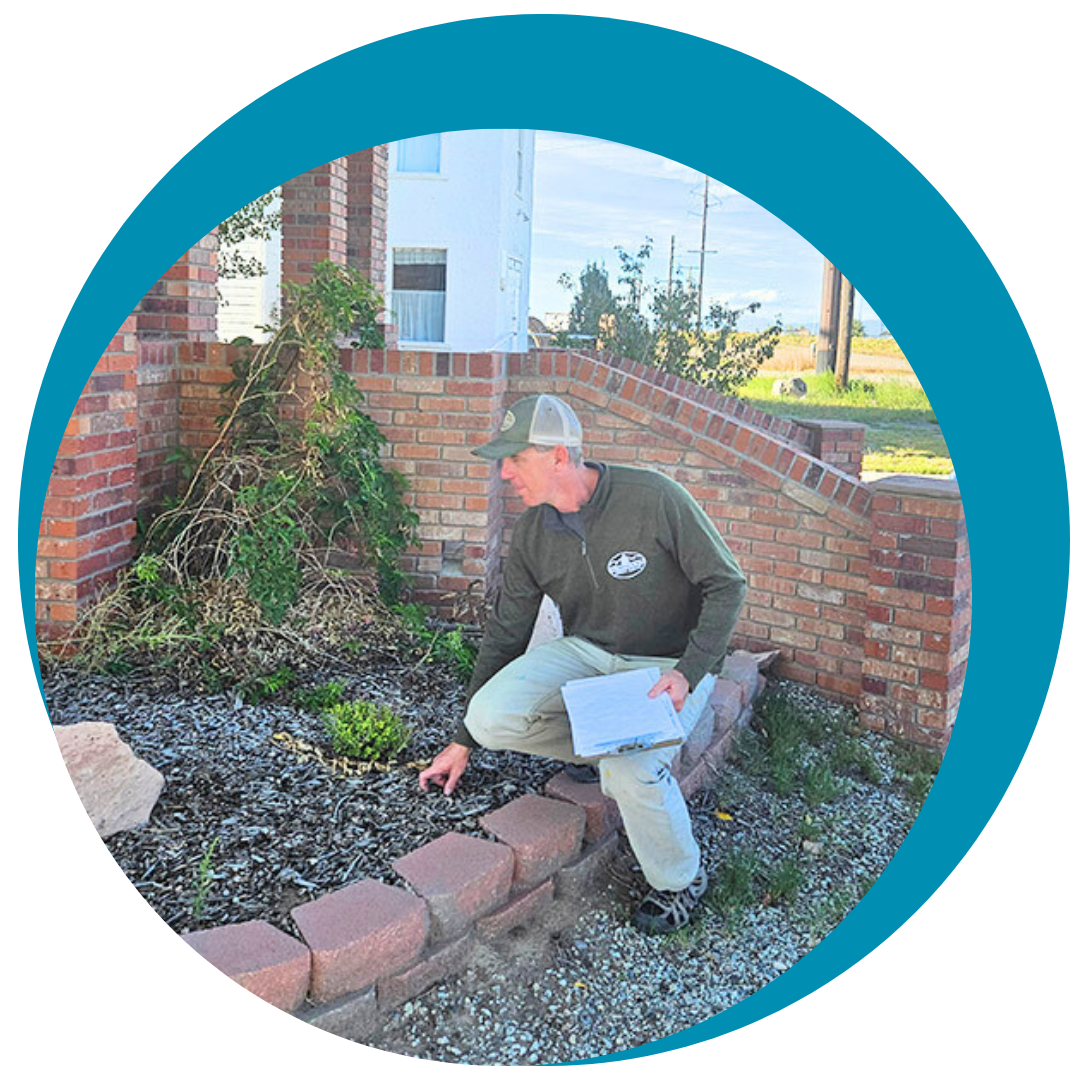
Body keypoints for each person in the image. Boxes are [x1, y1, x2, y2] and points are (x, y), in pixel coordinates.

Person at [418, 394, 747, 933]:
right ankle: (603, 744)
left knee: (632, 772)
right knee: (489, 716)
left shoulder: (653, 498)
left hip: (667, 665)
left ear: (556, 456)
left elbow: (727, 585)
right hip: (588, 654)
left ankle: (679, 879)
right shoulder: (532, 533)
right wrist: (463, 740)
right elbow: (506, 632)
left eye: (514, 459)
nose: (504, 473)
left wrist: (688, 671)